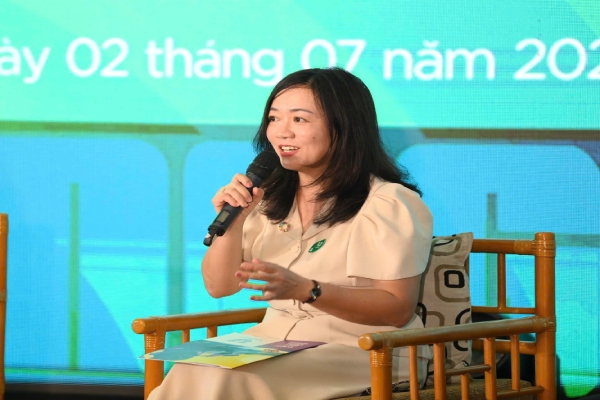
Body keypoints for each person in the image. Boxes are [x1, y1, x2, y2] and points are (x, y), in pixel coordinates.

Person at [148, 67, 433, 400]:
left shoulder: (388, 203)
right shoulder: (267, 198)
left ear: (344, 128)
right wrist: (234, 223)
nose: (282, 132)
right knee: (192, 368)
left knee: (230, 376)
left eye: (299, 119)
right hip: (275, 340)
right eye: (274, 118)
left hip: (365, 348)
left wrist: (306, 289)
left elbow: (396, 309)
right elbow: (219, 286)